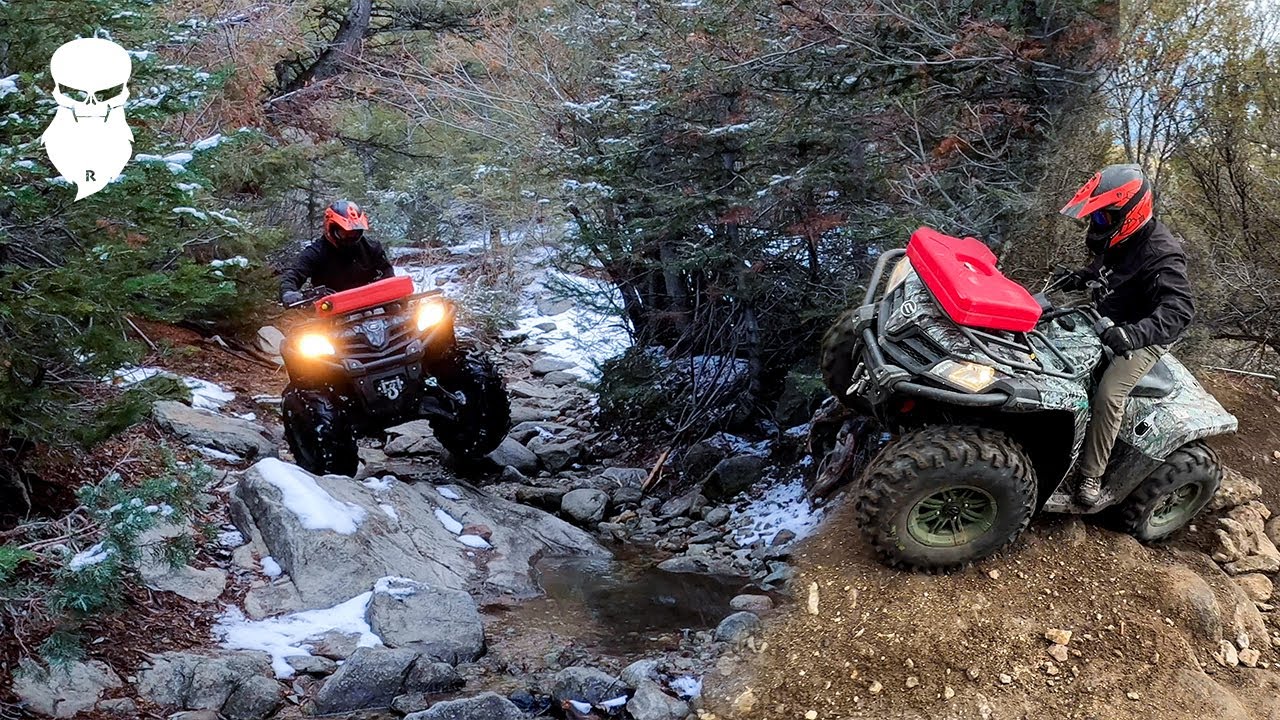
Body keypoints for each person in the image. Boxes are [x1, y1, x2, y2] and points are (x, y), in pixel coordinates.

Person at [1056, 164, 1195, 506]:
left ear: (1130, 213)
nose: (1097, 223)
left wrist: (1133, 335)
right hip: (1108, 317)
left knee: (1108, 393)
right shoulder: (1120, 235)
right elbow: (1110, 267)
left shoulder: (1163, 254)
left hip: (1145, 335)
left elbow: (1180, 311)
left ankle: (1091, 476)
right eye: (1096, 216)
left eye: (1103, 217)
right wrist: (1080, 276)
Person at [280, 199, 394, 305]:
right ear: (331, 228)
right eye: (344, 233)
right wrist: (288, 292)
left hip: (372, 303)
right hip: (332, 309)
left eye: (354, 233)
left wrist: (384, 286)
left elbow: (388, 272)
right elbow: (294, 274)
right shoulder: (315, 252)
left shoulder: (371, 247)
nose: (350, 237)